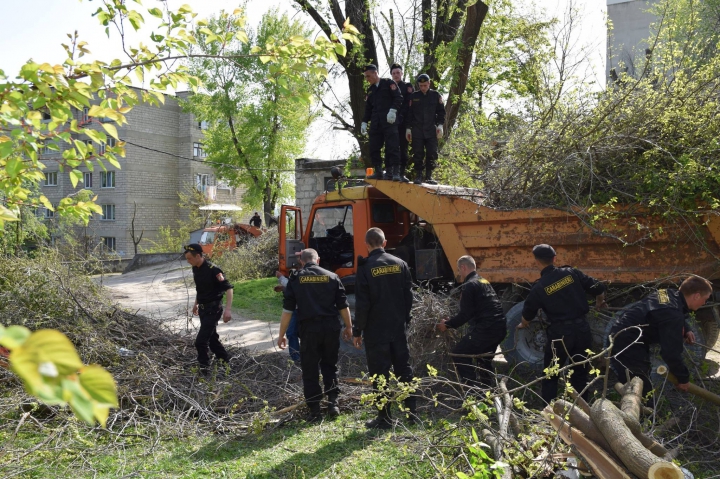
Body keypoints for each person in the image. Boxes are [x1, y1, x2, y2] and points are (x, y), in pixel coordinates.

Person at [518, 244, 607, 403]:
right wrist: (600, 302)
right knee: (580, 373)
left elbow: (527, 315)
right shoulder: (571, 273)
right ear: (554, 259)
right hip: (582, 330)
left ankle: (550, 411)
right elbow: (598, 287)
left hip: (560, 335)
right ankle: (582, 410)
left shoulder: (539, 287)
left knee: (551, 374)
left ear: (536, 262)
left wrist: (523, 325)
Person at [277, 248, 353, 421]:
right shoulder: (332, 277)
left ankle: (315, 410)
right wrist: (349, 327)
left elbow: (288, 310)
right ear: (317, 260)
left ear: (302, 262)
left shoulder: (296, 279)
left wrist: (282, 334)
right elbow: (343, 305)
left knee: (310, 369)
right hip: (330, 328)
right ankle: (333, 402)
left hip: (309, 330)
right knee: (330, 365)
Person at [609, 276, 712, 399]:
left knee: (639, 379)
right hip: (627, 341)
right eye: (705, 299)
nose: (704, 303)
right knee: (640, 387)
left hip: (623, 332)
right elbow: (671, 353)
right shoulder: (673, 315)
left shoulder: (666, 293)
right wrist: (683, 379)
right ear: (696, 296)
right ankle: (642, 415)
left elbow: (670, 311)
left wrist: (686, 328)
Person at [353, 227, 415, 429]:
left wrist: (357, 331)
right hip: (398, 328)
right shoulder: (401, 264)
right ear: (385, 242)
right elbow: (409, 298)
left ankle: (384, 418)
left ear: (367, 244)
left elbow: (363, 304)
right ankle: (412, 414)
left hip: (376, 331)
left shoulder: (365, 268)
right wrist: (405, 320)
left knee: (380, 374)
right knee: (404, 370)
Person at [436, 256, 507, 389]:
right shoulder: (483, 281)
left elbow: (465, 315)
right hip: (499, 328)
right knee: (483, 360)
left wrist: (447, 325)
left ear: (463, 267)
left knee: (459, 353)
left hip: (487, 329)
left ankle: (472, 391)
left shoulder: (469, 285)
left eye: (459, 270)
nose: (459, 274)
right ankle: (487, 390)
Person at [184, 244, 233, 371]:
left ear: (199, 256)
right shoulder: (196, 268)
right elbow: (200, 289)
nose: (188, 261)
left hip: (214, 309)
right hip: (203, 309)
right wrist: (196, 303)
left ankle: (204, 370)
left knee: (200, 341)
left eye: (190, 258)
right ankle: (226, 364)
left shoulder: (214, 270)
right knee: (212, 339)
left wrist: (228, 310)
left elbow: (228, 288)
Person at [361, 64, 403, 181]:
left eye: (368, 76)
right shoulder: (370, 90)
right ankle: (378, 171)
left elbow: (398, 97)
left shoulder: (388, 83)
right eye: (365, 77)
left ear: (375, 73)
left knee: (392, 147)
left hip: (389, 121)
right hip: (376, 123)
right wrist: (364, 122)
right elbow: (368, 108)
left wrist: (393, 110)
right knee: (374, 147)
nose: (367, 79)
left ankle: (395, 172)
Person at [406, 73, 446, 185]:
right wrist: (408, 128)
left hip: (431, 129)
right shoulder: (413, 97)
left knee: (432, 153)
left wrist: (440, 125)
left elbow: (441, 112)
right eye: (421, 85)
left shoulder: (435, 95)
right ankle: (418, 175)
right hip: (417, 130)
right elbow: (409, 114)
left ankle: (429, 176)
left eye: (425, 85)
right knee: (418, 153)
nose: (423, 87)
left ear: (429, 83)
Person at [391, 63, 414, 183]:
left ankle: (402, 173)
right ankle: (392, 172)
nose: (396, 75)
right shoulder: (389, 86)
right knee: (392, 147)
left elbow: (409, 105)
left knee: (403, 148)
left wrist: (403, 117)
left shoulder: (407, 86)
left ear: (402, 73)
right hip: (391, 122)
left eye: (398, 73)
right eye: (394, 73)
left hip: (404, 122)